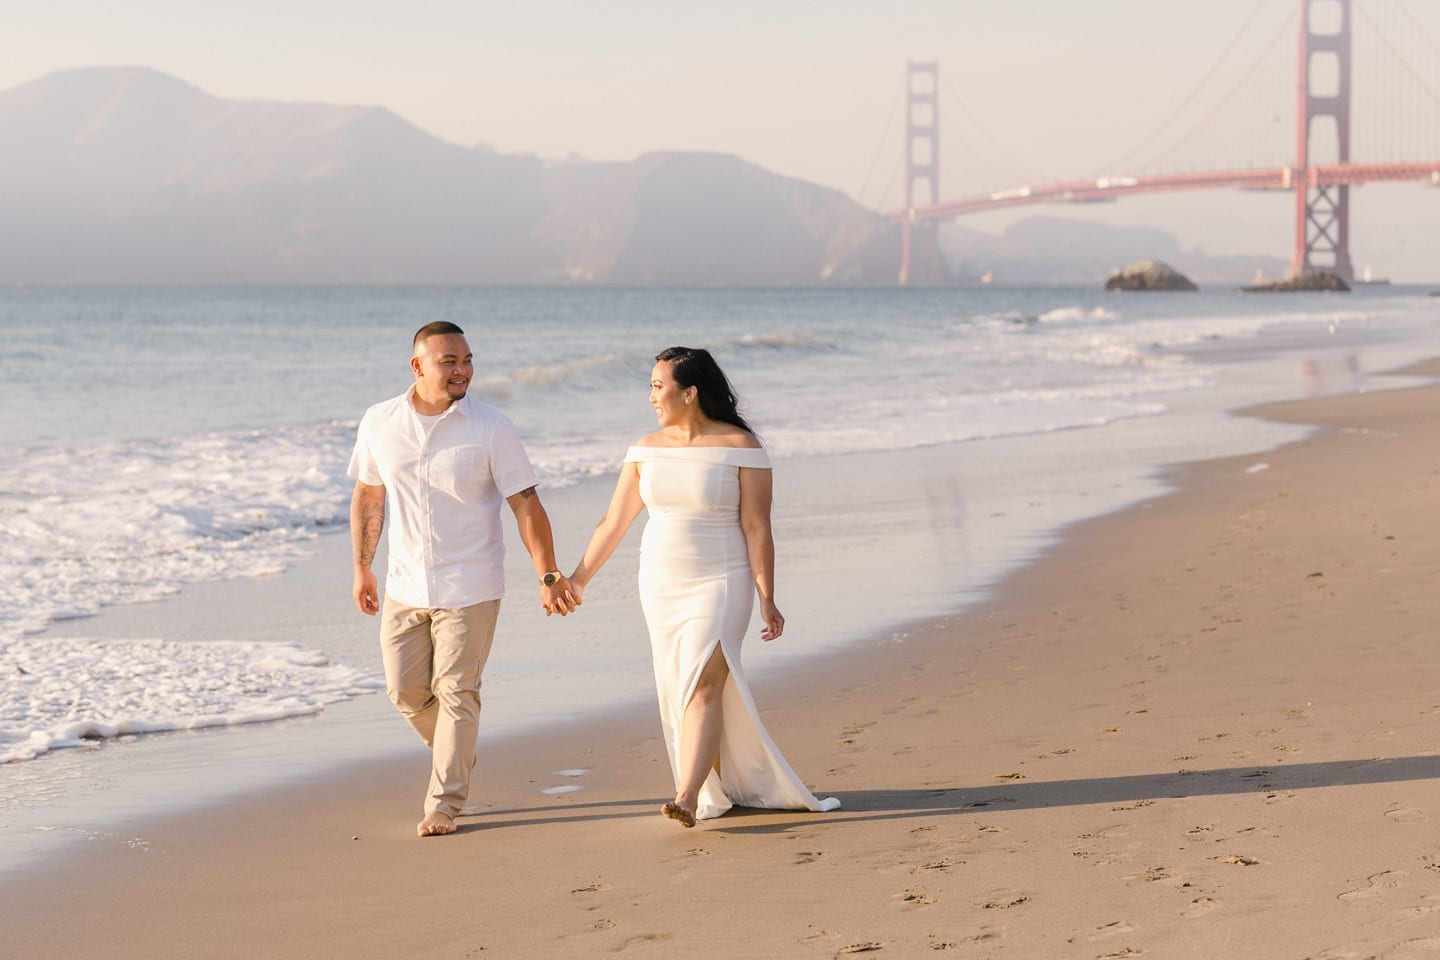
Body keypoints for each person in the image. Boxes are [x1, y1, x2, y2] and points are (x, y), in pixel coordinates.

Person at [568, 346, 840, 827]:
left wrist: (766, 596)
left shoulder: (741, 447)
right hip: (660, 581)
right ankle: (714, 784)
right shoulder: (645, 447)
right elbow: (614, 522)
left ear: (689, 393)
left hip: (722, 579)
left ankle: (688, 796)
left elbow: (757, 526)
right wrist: (577, 579)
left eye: (658, 386)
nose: (650, 395)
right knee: (680, 684)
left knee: (703, 683)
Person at [349, 321, 577, 837]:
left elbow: (526, 503)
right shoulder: (379, 421)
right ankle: (459, 749)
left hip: (471, 584)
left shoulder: (492, 427)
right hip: (405, 583)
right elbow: (369, 495)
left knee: (456, 691)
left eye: (468, 360)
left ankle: (444, 802)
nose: (462, 370)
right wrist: (363, 566)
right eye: (449, 361)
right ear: (418, 366)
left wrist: (547, 572)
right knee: (404, 692)